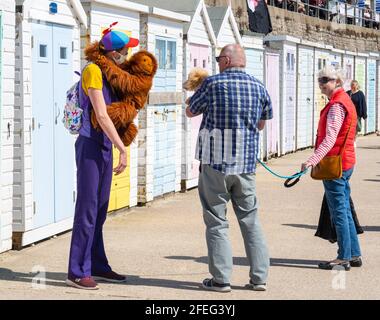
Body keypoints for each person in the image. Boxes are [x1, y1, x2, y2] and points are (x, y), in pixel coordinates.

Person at [186, 44, 273, 292]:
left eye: (217, 58)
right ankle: (259, 278)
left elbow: (190, 111)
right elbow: (261, 125)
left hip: (215, 162)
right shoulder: (259, 86)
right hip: (245, 165)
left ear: (225, 60)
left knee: (216, 220)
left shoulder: (212, 84)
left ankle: (221, 279)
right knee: (250, 220)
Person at [66, 28, 139, 290]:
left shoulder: (110, 72)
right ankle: (76, 271)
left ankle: (96, 264)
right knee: (86, 209)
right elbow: (102, 114)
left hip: (105, 145)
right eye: (125, 50)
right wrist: (122, 148)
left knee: (100, 209)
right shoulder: (93, 71)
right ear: (113, 52)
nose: (127, 54)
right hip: (90, 145)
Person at [301, 66, 362, 271]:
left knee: (339, 212)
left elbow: (330, 138)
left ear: (338, 82)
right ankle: (353, 253)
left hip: (335, 164)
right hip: (345, 162)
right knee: (343, 209)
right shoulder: (345, 101)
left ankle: (343, 256)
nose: (321, 83)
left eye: (325, 79)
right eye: (320, 79)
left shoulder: (337, 105)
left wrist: (312, 160)